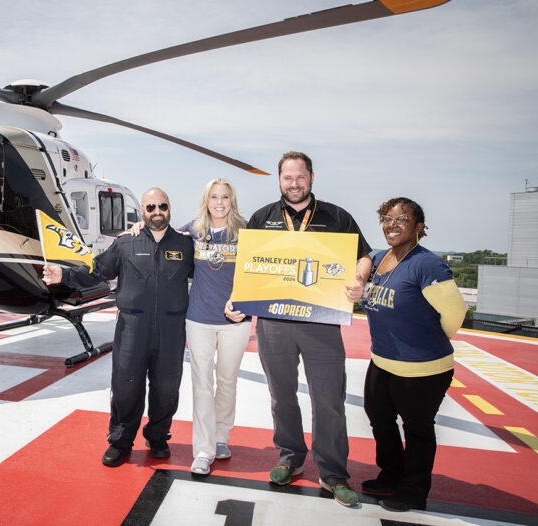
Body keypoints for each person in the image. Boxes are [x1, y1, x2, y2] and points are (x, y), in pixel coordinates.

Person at [225, 151, 372, 507]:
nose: (294, 184)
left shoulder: (337, 216)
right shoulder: (263, 218)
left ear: (311, 177)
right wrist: (236, 299)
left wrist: (359, 281)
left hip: (321, 322)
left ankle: (333, 473)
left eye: (300, 177)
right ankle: (290, 457)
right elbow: (248, 267)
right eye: (287, 178)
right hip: (275, 323)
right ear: (279, 180)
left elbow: (364, 255)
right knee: (281, 395)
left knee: (329, 399)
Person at [43, 187, 194, 467]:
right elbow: (97, 271)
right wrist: (63, 274)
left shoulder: (186, 245)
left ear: (169, 208)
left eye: (162, 206)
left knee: (167, 387)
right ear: (143, 212)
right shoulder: (126, 243)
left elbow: (209, 276)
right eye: (150, 207)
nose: (157, 212)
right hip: (132, 329)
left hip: (171, 331)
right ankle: (121, 441)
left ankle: (158, 437)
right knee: (126, 385)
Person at [126, 178, 251, 476]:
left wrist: (243, 302)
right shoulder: (193, 229)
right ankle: (204, 450)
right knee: (202, 384)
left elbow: (259, 273)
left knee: (228, 381)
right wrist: (137, 229)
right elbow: (161, 232)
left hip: (237, 321)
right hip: (198, 319)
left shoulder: (246, 231)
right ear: (205, 200)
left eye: (225, 197)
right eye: (214, 197)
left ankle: (222, 437)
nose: (219, 202)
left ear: (232, 200)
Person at [361, 197, 466, 512]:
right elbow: (364, 256)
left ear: (419, 227)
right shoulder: (380, 258)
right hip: (382, 361)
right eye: (387, 219)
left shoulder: (427, 264)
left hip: (423, 368)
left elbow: (456, 313)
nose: (392, 225)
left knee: (417, 429)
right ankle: (391, 475)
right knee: (380, 419)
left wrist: (428, 338)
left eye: (401, 219)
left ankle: (413, 490)